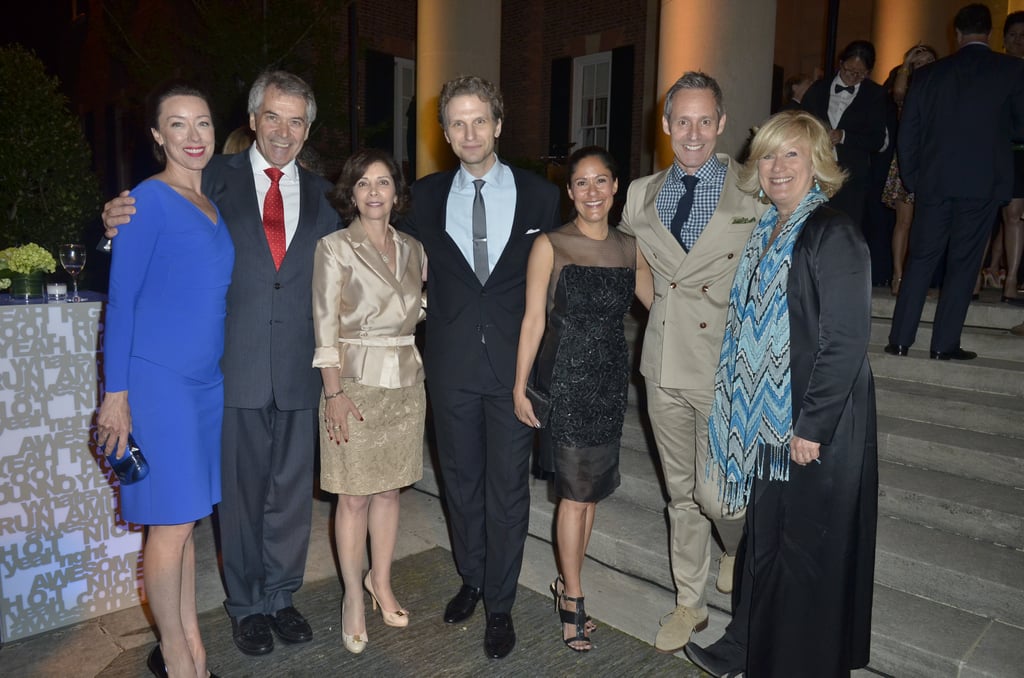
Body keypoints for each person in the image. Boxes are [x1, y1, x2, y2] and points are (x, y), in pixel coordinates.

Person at [102, 70, 342, 657]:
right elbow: (148, 225)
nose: (283, 131)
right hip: (225, 369)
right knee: (233, 499)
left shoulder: (325, 194)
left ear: (308, 129)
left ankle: (282, 597)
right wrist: (111, 219)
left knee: (288, 496)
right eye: (273, 117)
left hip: (294, 366)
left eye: (297, 120)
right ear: (253, 120)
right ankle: (245, 606)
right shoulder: (214, 176)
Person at [684, 109, 877, 678]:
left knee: (803, 554)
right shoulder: (768, 227)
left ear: (817, 164)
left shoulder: (832, 232)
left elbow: (844, 341)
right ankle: (746, 643)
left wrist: (811, 428)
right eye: (768, 154)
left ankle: (793, 661)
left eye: (792, 154)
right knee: (765, 542)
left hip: (814, 424)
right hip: (765, 420)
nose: (777, 166)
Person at [399, 75, 561, 659]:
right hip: (450, 366)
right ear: (445, 132)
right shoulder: (420, 198)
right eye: (457, 123)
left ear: (498, 123)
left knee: (507, 489)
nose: (469, 132)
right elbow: (363, 229)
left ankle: (500, 602)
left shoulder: (543, 197)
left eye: (479, 120)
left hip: (514, 370)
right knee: (460, 483)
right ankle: (471, 575)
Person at [618, 71, 765, 653]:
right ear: (666, 124)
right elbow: (636, 262)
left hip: (725, 364)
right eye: (683, 120)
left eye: (706, 120)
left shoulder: (750, 188)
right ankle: (690, 604)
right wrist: (664, 311)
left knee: (718, 493)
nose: (694, 132)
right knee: (680, 493)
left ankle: (735, 544)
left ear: (722, 123)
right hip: (662, 363)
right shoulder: (640, 193)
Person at [96, 80, 233, 678]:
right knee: (169, 529)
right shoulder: (147, 200)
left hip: (205, 384)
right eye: (177, 124)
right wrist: (115, 397)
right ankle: (179, 663)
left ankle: (195, 648)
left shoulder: (211, 202)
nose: (193, 135)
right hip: (159, 384)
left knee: (185, 521)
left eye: (201, 122)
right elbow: (121, 302)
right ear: (157, 136)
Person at [512, 146, 652, 652]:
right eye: (581, 183)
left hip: (610, 382)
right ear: (569, 191)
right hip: (565, 380)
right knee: (574, 495)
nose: (592, 192)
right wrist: (520, 384)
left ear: (616, 187)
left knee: (589, 494)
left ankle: (567, 584)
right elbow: (533, 320)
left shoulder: (631, 248)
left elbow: (660, 309)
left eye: (601, 181)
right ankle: (572, 596)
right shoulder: (551, 244)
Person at [311, 149, 426, 655]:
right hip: (352, 386)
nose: (374, 192)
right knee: (353, 496)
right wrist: (333, 392)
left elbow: (417, 310)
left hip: (405, 384)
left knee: (389, 493)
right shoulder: (334, 248)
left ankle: (381, 582)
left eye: (384, 183)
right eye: (364, 184)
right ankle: (352, 597)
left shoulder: (416, 249)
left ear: (397, 194)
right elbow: (325, 326)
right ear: (350, 193)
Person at [886, 4, 1024, 360]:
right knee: (964, 263)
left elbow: (908, 132)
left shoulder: (930, 75)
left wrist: (914, 178)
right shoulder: (1011, 69)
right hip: (983, 182)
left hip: (933, 180)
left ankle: (900, 340)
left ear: (957, 34)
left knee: (920, 260)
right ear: (990, 34)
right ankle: (943, 344)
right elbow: (1021, 126)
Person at [801, 40, 888, 231]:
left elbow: (877, 140)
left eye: (860, 73)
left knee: (845, 230)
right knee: (812, 228)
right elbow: (800, 123)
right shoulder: (818, 89)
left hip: (852, 179)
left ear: (869, 72)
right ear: (840, 63)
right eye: (849, 70)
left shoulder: (875, 95)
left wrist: (844, 136)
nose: (852, 76)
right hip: (815, 173)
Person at [882, 43, 938, 296]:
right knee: (903, 221)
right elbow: (898, 92)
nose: (923, 65)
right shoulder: (907, 91)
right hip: (908, 158)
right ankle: (898, 276)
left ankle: (918, 279)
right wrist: (906, 64)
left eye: (928, 61)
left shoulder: (943, 89)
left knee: (926, 224)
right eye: (918, 62)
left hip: (935, 160)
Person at [983, 11, 1024, 306]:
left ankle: (1011, 280)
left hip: (1021, 153)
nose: (1018, 41)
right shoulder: (993, 68)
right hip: (991, 151)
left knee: (1014, 217)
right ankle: (974, 276)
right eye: (1013, 35)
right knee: (983, 215)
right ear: (1003, 38)